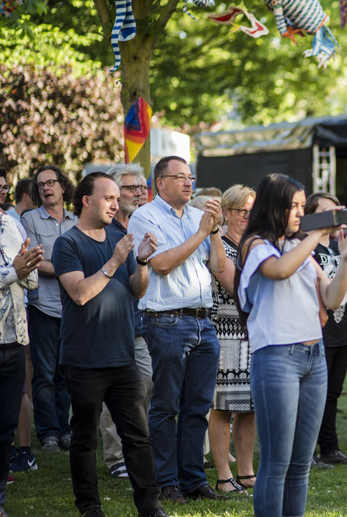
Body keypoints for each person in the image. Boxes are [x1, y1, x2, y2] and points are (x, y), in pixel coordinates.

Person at [235, 173, 347, 517]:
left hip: (313, 357)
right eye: (294, 206)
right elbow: (278, 271)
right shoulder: (256, 245)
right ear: (274, 206)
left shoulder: (299, 247)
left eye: (304, 207)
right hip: (276, 358)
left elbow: (332, 299)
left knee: (301, 464)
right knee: (277, 462)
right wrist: (316, 234)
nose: (301, 214)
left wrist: (345, 258)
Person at [53, 172, 166, 517]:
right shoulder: (68, 244)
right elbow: (80, 293)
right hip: (85, 359)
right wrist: (115, 260)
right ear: (87, 201)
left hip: (123, 355)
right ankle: (90, 507)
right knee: (85, 438)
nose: (116, 203)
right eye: (109, 198)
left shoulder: (119, 236)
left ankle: (150, 506)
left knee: (137, 436)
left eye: (118, 197)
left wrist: (142, 261)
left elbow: (137, 289)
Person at [127, 156, 228, 504]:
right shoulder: (145, 217)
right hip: (166, 320)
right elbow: (162, 264)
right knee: (166, 405)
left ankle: (194, 479)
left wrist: (212, 231)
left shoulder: (197, 218)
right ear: (160, 183)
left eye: (191, 177)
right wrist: (202, 231)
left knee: (198, 406)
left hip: (203, 321)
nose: (188, 183)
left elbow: (217, 266)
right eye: (180, 177)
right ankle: (166, 482)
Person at [306, 192, 347, 467]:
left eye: (337, 209)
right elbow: (324, 291)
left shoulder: (337, 246)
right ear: (312, 215)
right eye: (327, 210)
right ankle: (307, 452)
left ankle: (330, 448)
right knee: (312, 395)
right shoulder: (305, 248)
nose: (335, 214)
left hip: (342, 329)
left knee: (332, 393)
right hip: (318, 330)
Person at [98, 164, 154, 481]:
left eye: (140, 187)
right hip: (108, 325)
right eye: (131, 188)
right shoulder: (105, 231)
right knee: (112, 390)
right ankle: (115, 455)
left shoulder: (142, 224)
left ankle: (134, 449)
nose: (138, 192)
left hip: (138, 323)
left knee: (144, 385)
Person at [21, 164, 77, 453]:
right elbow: (32, 260)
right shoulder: (29, 220)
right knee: (43, 374)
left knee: (65, 374)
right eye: (41, 184)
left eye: (51, 182)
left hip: (72, 307)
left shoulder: (76, 221)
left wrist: (63, 270)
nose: (46, 188)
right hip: (43, 307)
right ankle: (48, 434)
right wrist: (68, 271)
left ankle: (64, 429)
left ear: (63, 186)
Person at [208, 185, 257, 494]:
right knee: (223, 407)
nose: (247, 218)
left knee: (250, 406)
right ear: (225, 213)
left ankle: (247, 470)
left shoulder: (257, 245)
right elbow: (234, 286)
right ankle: (224, 474)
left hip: (255, 333)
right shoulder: (220, 245)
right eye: (242, 212)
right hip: (226, 332)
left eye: (253, 212)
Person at [0, 183, 41, 517]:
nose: (2, 192)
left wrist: (28, 268)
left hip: (14, 339)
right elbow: (13, 271)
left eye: (3, 187)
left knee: (4, 427)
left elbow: (29, 280)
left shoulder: (12, 224)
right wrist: (16, 269)